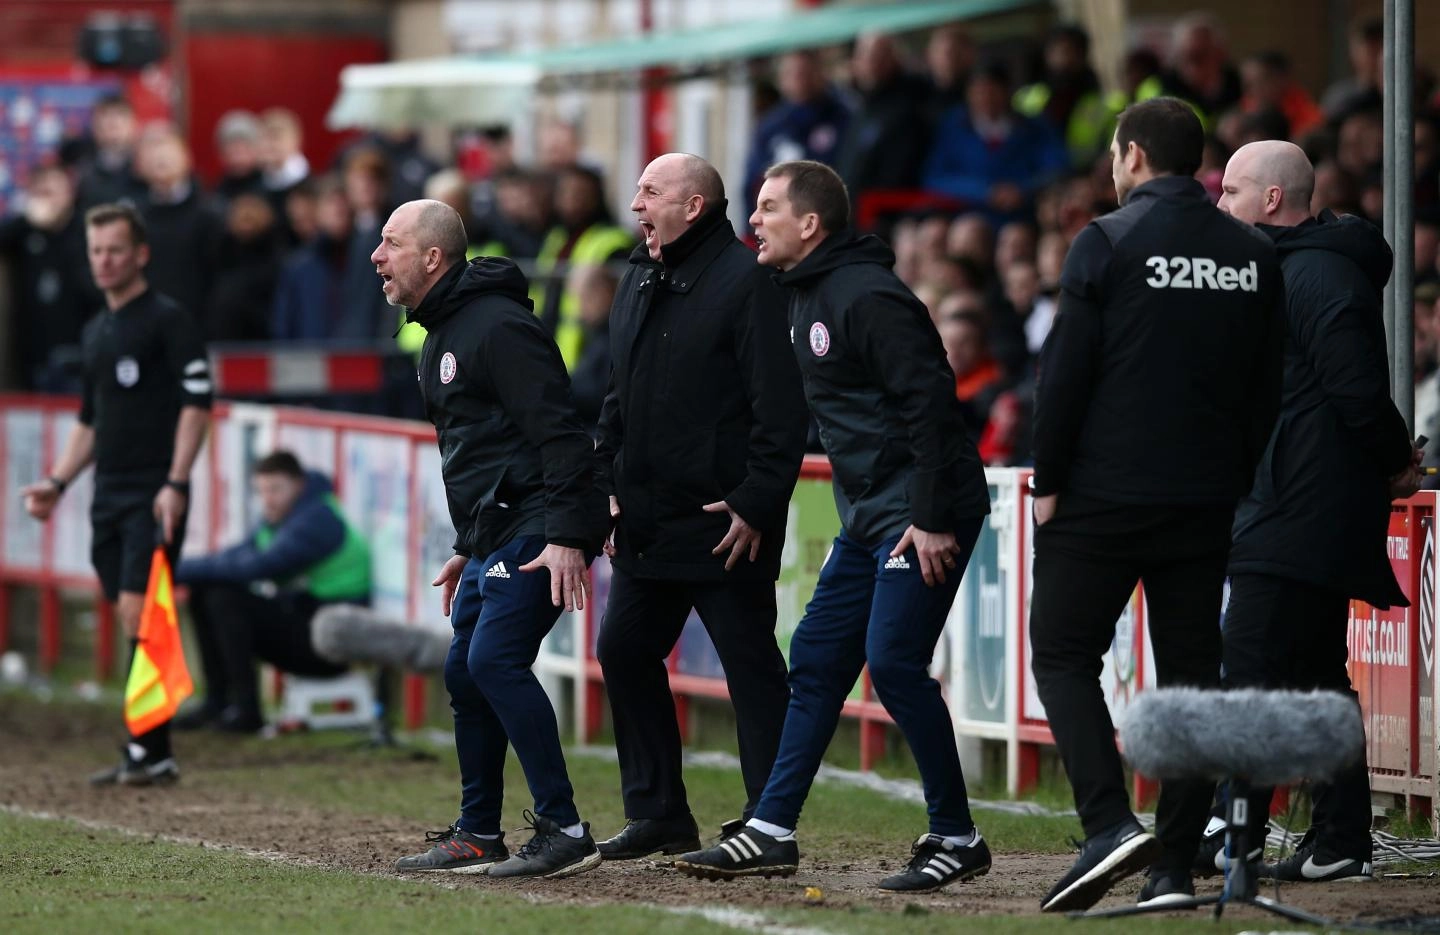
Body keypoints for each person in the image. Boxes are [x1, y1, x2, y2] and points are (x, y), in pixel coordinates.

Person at [675, 161, 993, 892]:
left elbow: (932, 403)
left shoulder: (866, 295)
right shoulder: (798, 294)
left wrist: (932, 515)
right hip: (870, 517)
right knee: (817, 657)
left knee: (893, 664)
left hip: (919, 512)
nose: (754, 220)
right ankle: (771, 827)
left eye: (768, 207)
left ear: (810, 224)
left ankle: (957, 834)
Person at [1027, 98, 1284, 912]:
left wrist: (1050, 477)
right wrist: (1233, 472)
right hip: (1203, 498)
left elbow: (1064, 375)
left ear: (1134, 156)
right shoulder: (1251, 252)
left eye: (1112, 153)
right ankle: (1173, 864)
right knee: (1191, 680)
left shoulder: (1105, 240)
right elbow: (1265, 385)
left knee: (1063, 652)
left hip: (1103, 494)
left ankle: (1108, 821)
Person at [1199, 139, 1420, 883]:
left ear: (1270, 200)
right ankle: (1339, 839)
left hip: (1298, 506)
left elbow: (1358, 391)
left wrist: (1395, 463)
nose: (1218, 202)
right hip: (1292, 501)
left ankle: (1240, 835)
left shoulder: (1318, 274)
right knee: (1314, 676)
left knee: (1253, 669)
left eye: (1230, 190)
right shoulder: (1288, 269)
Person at [377, 200, 608, 879]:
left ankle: (564, 827)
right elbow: (483, 449)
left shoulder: (500, 327)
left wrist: (566, 533)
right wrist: (469, 543)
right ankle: (479, 831)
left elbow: (559, 433)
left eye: (390, 243)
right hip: (497, 530)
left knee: (496, 659)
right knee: (465, 668)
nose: (377, 256)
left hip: (541, 522)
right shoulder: (440, 332)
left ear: (432, 257)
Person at [592, 154, 807, 861]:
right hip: (649, 518)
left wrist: (755, 501)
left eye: (650, 191)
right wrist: (609, 480)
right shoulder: (639, 277)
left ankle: (768, 820)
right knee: (623, 649)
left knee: (749, 665)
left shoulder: (748, 283)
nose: (635, 204)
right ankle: (658, 812)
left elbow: (780, 410)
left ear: (694, 206)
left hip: (724, 522)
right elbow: (618, 396)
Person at [21, 202, 212, 785]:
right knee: (131, 614)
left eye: (114, 250)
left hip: (154, 492)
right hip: (108, 492)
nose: (104, 261)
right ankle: (151, 749)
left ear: (140, 254)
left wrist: (176, 482)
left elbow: (197, 405)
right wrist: (57, 481)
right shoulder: (97, 329)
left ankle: (149, 748)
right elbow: (90, 421)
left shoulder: (168, 321)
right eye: (96, 251)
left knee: (141, 611)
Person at [173, 451, 370, 732]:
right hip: (308, 622)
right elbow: (233, 557)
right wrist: (176, 570)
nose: (268, 499)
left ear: (299, 485)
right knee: (206, 588)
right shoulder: (283, 516)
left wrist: (169, 572)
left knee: (224, 598)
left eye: (276, 489)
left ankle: (246, 711)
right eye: (262, 490)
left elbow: (256, 567)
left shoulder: (317, 520)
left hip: (332, 644)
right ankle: (217, 702)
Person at [922, 62, 1069, 224]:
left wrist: (1023, 190)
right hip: (969, 216)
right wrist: (985, 192)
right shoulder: (953, 129)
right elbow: (936, 178)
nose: (986, 99)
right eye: (978, 92)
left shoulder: (1034, 128)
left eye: (993, 91)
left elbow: (1057, 167)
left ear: (1007, 92)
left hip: (1025, 216)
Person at [0, 164, 101, 392]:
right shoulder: (24, 231)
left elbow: (94, 287)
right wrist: (26, 220)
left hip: (77, 350)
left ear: (69, 194)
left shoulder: (86, 231)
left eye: (54, 192)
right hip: (29, 350)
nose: (48, 200)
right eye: (41, 193)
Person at [532, 165, 633, 370]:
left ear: (596, 197)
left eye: (580, 193)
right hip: (547, 348)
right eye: (565, 192)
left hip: (590, 355)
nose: (571, 200)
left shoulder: (615, 241)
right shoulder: (556, 238)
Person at [134, 127, 223, 328]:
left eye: (168, 155)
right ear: (140, 166)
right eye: (154, 156)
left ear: (186, 160)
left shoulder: (209, 214)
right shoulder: (134, 217)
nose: (161, 161)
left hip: (198, 324)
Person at [743, 51, 851, 204]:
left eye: (806, 73)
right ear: (781, 79)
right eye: (793, 74)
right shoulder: (772, 125)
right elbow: (752, 181)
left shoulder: (843, 117)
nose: (801, 81)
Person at [833, 33, 933, 197]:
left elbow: (898, 175)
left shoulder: (907, 107)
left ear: (894, 60)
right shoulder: (859, 106)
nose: (872, 62)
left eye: (880, 56)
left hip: (883, 211)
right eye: (865, 56)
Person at [1014, 24, 1126, 170]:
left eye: (1071, 52)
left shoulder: (1105, 106)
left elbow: (1112, 153)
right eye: (1058, 51)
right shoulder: (1024, 99)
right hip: (1035, 183)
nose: (1064, 59)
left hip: (1087, 181)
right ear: (1047, 55)